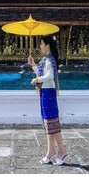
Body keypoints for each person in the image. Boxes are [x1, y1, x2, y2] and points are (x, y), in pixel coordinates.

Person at [28, 35, 68, 165]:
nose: (40, 46)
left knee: (52, 122)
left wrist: (37, 80)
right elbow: (42, 74)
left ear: (47, 45)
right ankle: (50, 150)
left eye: (41, 44)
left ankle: (61, 150)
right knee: (47, 123)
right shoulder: (46, 59)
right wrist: (34, 65)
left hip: (48, 93)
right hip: (45, 93)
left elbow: (49, 76)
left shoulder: (50, 60)